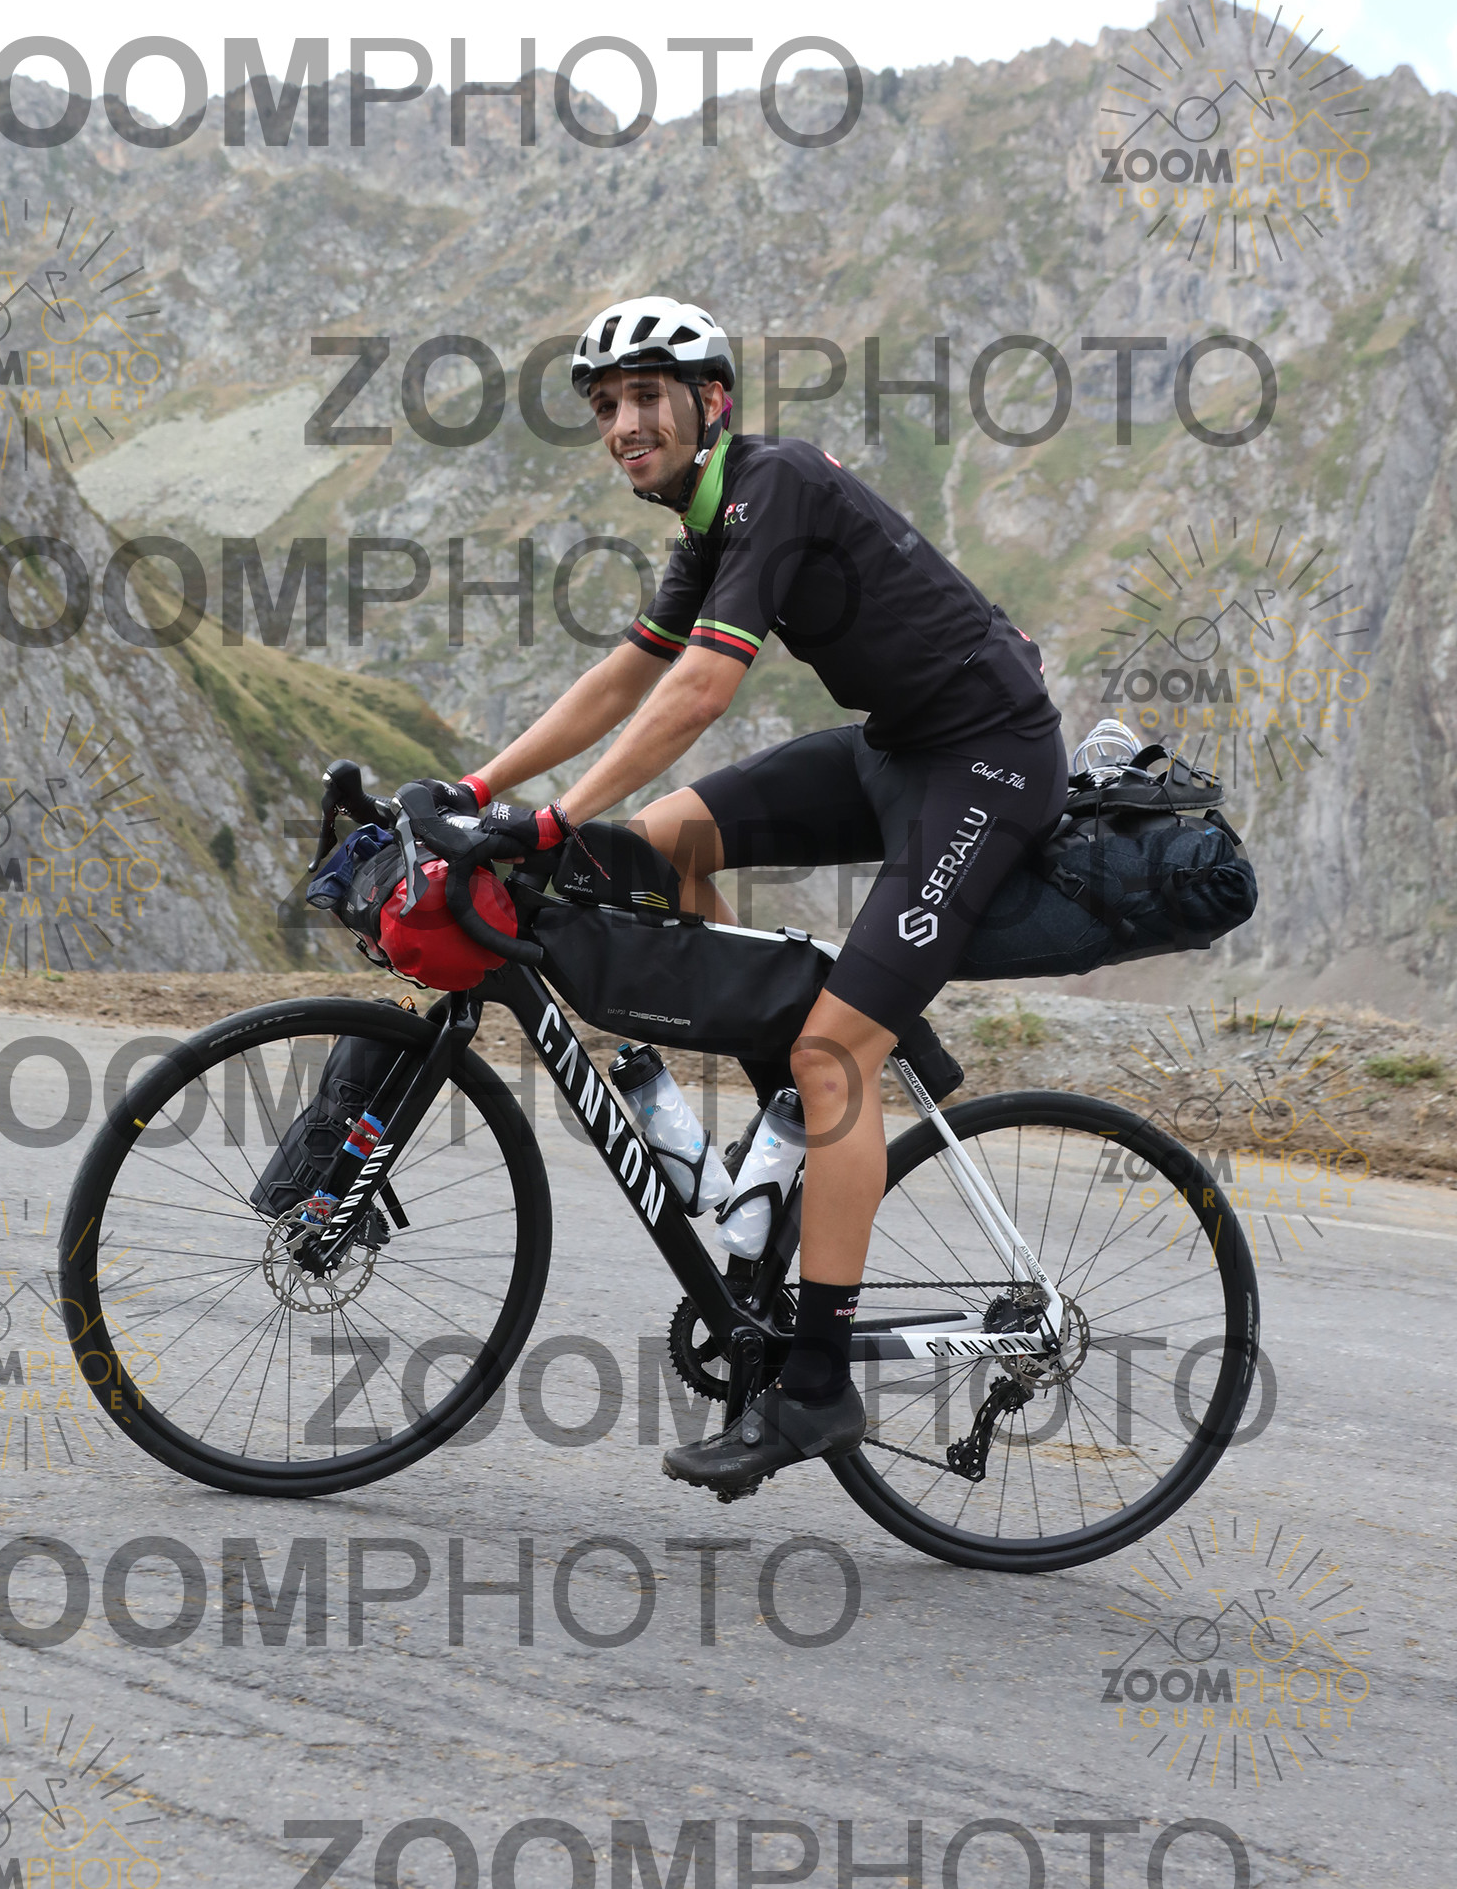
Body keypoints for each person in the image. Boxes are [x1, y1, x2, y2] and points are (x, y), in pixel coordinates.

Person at [415, 298, 1067, 1495]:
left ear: (709, 402)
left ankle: (814, 1388)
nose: (623, 424)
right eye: (605, 407)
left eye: (644, 396)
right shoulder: (708, 525)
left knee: (833, 1056)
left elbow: (701, 691)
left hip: (986, 761)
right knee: (655, 846)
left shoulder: (775, 485)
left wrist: (553, 819)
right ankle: (778, 1149)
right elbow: (626, 675)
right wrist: (478, 787)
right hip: (895, 749)